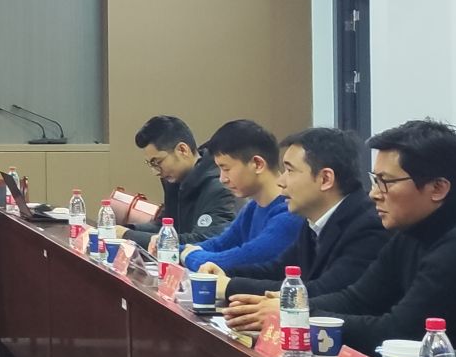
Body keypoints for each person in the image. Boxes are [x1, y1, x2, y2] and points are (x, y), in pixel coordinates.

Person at [227, 119, 456, 350]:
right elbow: (357, 298)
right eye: (374, 180)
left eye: (386, 182)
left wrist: (298, 317)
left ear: (438, 188)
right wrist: (294, 309)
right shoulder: (411, 231)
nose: (373, 194)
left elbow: (396, 331)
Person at [213, 126, 386, 300]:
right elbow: (278, 270)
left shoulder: (368, 226)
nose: (281, 181)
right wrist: (224, 274)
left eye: (290, 171)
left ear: (325, 179)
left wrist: (230, 286)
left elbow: (325, 290)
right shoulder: (312, 223)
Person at [179, 120, 303, 274]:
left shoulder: (289, 214)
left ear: (257, 164)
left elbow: (238, 260)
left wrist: (188, 255)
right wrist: (174, 249)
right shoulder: (252, 207)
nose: (222, 179)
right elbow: (220, 245)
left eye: (226, 169)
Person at [123, 113, 239, 249]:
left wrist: (128, 235)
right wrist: (127, 230)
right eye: (151, 164)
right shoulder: (176, 182)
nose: (156, 172)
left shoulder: (220, 187)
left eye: (158, 162)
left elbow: (203, 241)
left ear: (182, 150)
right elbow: (163, 227)